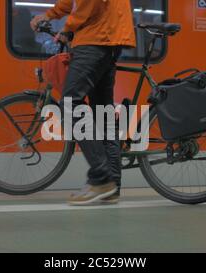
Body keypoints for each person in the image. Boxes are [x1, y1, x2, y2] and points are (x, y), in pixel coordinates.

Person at [31, 0, 136, 205]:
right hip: (109, 40)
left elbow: (88, 2)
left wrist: (68, 28)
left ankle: (101, 177)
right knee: (103, 114)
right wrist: (50, 15)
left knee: (69, 104)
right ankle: (111, 185)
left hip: (95, 39)